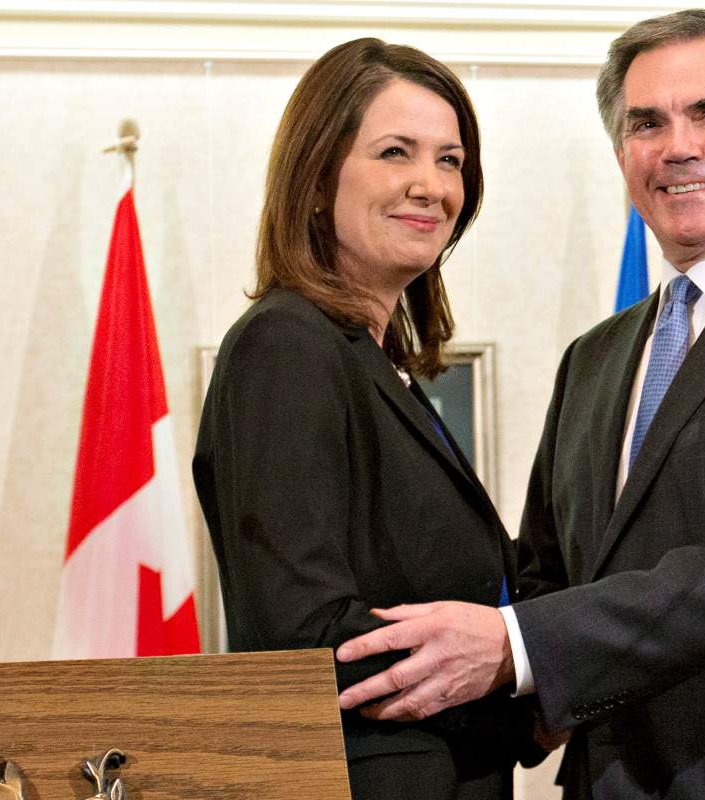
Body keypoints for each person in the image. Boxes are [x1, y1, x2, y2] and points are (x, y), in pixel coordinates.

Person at [334, 10, 705, 799]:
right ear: (623, 156)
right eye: (646, 123)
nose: (678, 145)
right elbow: (551, 571)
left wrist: (515, 644)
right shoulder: (595, 358)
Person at [192, 37, 537, 800]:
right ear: (316, 179)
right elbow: (306, 633)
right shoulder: (284, 345)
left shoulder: (381, 368)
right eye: (395, 152)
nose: (431, 185)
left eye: (450, 161)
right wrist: (524, 707)